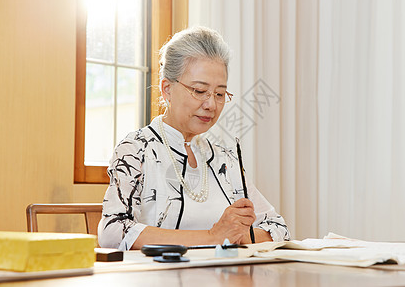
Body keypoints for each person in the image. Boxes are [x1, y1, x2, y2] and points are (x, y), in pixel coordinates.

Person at [97, 26, 290, 250]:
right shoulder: (136, 149)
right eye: (199, 91)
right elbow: (113, 231)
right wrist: (212, 237)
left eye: (219, 94)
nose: (211, 104)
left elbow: (278, 228)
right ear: (167, 89)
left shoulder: (224, 159)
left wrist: (236, 234)